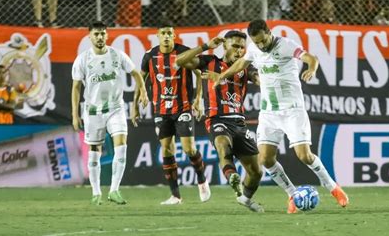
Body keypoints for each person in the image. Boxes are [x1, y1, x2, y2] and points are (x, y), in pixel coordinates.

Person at [205, 19, 349, 209]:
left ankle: (333, 187)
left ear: (269, 32)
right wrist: (222, 77)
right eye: (257, 42)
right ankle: (291, 194)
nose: (261, 45)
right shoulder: (255, 49)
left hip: (292, 110)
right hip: (269, 113)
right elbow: (241, 63)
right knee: (265, 159)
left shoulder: (286, 45)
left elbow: (311, 58)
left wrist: (311, 69)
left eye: (263, 41)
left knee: (304, 155)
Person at [175, 31, 265, 212]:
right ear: (225, 46)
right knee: (223, 145)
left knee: (256, 172)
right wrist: (206, 46)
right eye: (235, 46)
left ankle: (245, 198)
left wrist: (265, 79)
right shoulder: (210, 63)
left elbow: (260, 79)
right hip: (217, 119)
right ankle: (233, 178)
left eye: (242, 47)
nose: (239, 51)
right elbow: (179, 61)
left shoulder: (246, 68)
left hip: (239, 122)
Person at [132, 23, 211, 205]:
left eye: (169, 33)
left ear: (174, 35)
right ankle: (176, 195)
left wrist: (197, 99)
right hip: (161, 109)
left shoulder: (184, 52)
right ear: (157, 36)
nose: (166, 36)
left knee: (188, 148)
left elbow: (199, 74)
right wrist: (135, 105)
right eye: (163, 33)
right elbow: (141, 80)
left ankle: (201, 180)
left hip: (183, 107)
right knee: (167, 149)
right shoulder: (150, 56)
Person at [71, 21, 149, 206]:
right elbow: (75, 88)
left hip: (116, 108)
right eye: (96, 34)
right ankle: (96, 193)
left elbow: (136, 74)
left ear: (107, 36)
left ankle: (114, 190)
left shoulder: (117, 55)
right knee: (95, 150)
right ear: (89, 36)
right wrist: (75, 115)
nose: (99, 37)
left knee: (121, 144)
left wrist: (143, 91)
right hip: (92, 111)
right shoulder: (82, 59)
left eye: (102, 33)